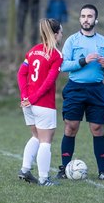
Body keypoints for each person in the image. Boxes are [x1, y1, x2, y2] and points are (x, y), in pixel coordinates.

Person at [56, 4, 104, 181]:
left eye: (90, 16)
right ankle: (64, 168)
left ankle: (102, 171)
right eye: (83, 16)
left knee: (97, 129)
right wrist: (82, 61)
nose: (86, 19)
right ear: (79, 19)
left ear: (95, 20)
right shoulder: (71, 41)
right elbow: (63, 65)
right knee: (71, 126)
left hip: (97, 90)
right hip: (75, 88)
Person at [17, 18, 63, 186]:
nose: (61, 35)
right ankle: (44, 179)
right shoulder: (56, 55)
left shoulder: (33, 51)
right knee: (46, 140)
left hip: (28, 104)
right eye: (61, 33)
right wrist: (34, 98)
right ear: (56, 34)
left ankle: (25, 170)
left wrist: (24, 97)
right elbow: (49, 82)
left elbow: (21, 74)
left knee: (36, 136)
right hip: (43, 104)